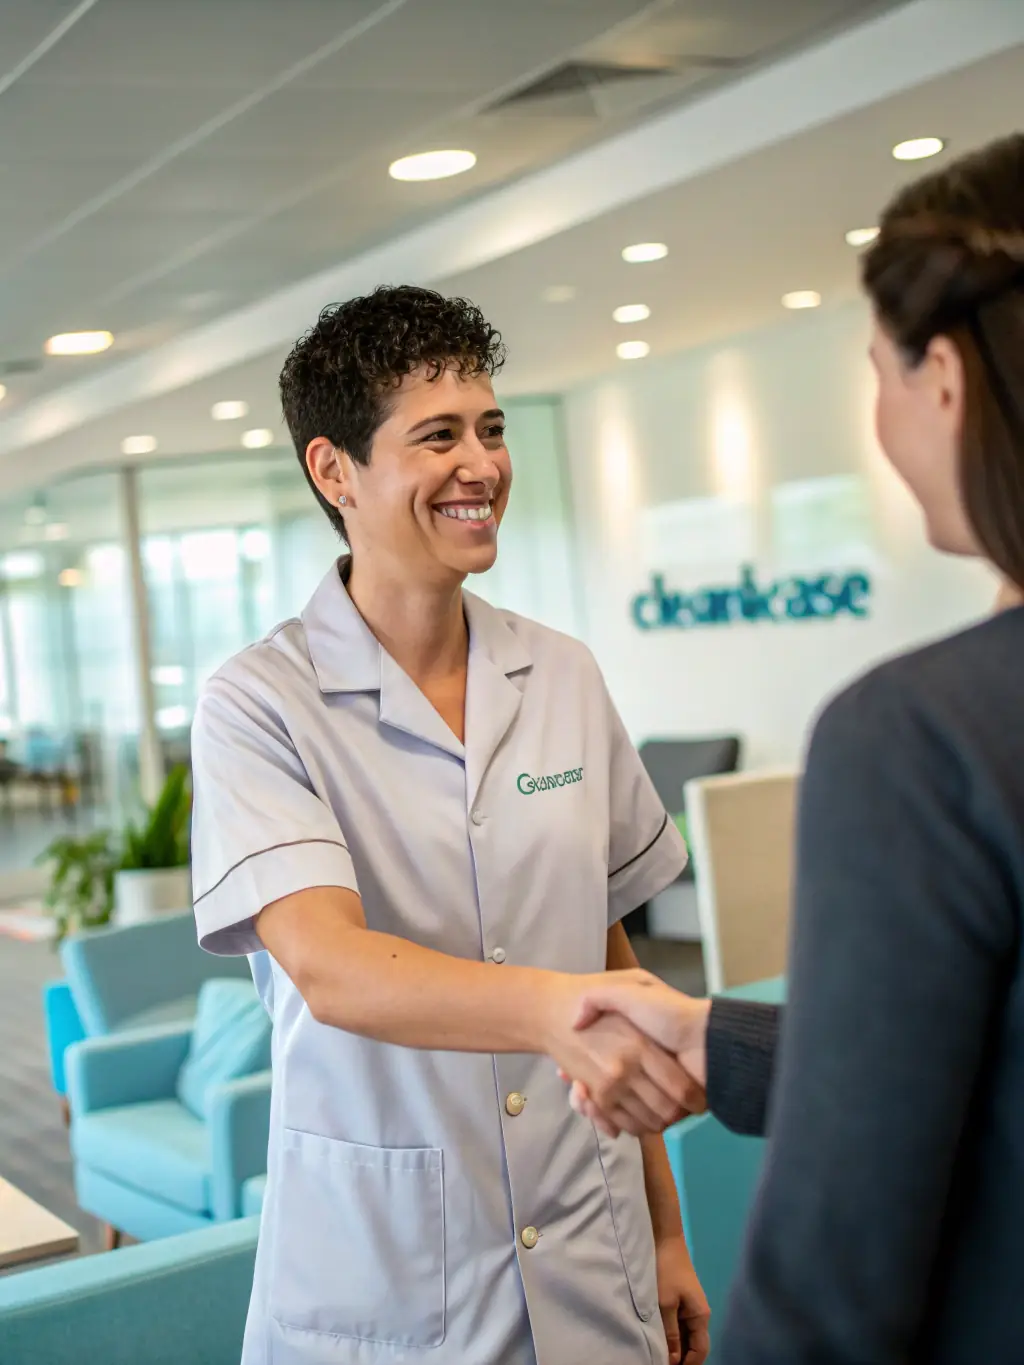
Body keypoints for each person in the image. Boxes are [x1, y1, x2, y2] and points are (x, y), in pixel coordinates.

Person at [563, 131, 1024, 1365]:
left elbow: (840, 1258)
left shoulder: (920, 737)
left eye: (877, 368)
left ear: (945, 382)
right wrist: (727, 1042)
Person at [189, 286, 710, 1365]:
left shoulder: (560, 673)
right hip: (385, 1281)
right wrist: (559, 1012)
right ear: (333, 471)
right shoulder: (259, 703)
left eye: (491, 428)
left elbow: (604, 944)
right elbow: (331, 967)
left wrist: (665, 1227)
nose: (481, 465)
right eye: (438, 436)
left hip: (587, 1240)